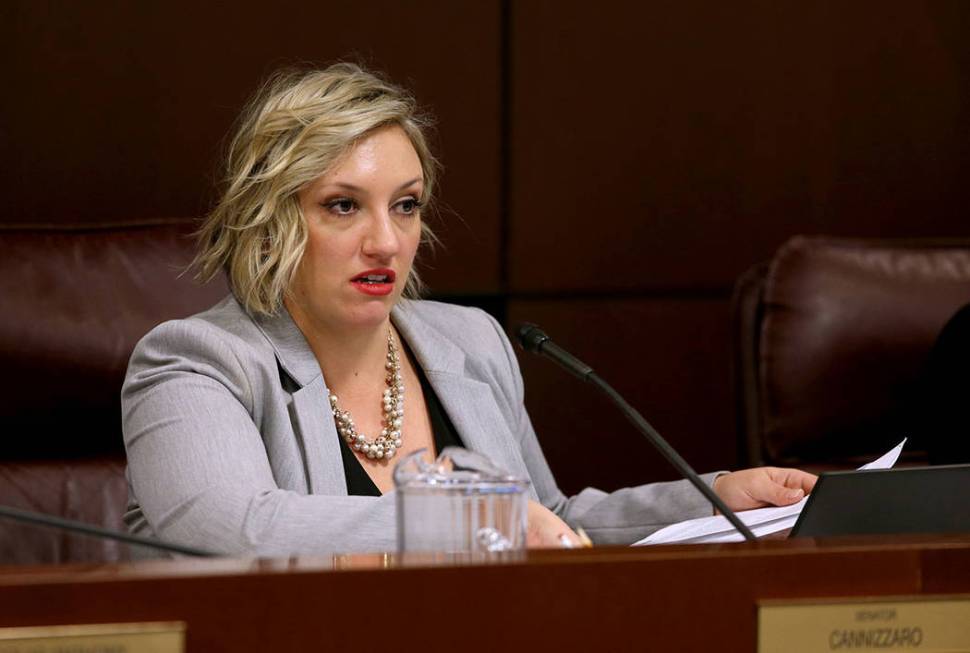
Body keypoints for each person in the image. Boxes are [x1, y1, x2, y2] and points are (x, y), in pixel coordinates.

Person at [122, 63, 816, 556]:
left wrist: (716, 499)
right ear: (269, 221)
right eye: (342, 206)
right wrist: (471, 521)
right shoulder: (196, 361)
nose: (386, 242)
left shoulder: (468, 340)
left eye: (406, 205)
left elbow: (552, 519)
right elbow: (237, 528)